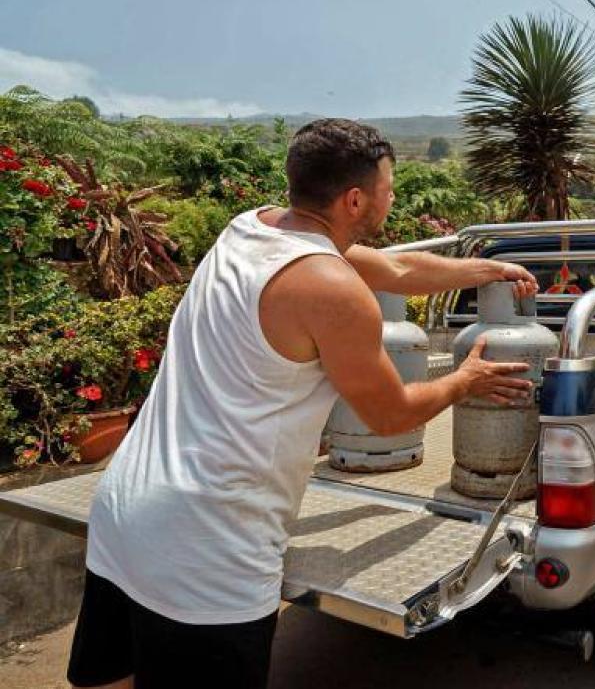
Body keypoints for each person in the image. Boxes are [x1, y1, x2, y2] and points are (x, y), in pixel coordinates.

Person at [66, 118, 538, 689]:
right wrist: (466, 380)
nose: (393, 200)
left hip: (125, 515)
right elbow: (390, 415)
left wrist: (491, 268)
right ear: (356, 199)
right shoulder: (331, 290)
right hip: (207, 552)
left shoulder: (251, 228)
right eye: (389, 191)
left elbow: (396, 268)